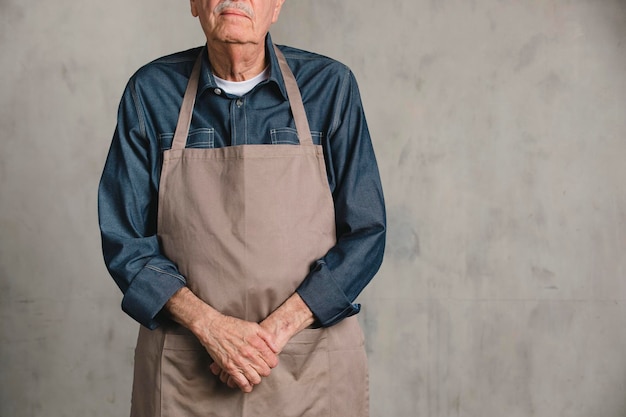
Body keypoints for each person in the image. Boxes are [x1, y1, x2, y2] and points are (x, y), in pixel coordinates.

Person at [98, 0, 385, 415]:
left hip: (310, 369)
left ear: (277, 6)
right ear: (195, 4)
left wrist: (275, 332)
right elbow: (124, 239)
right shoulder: (150, 93)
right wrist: (209, 326)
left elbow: (367, 233)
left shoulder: (330, 88)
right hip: (188, 370)